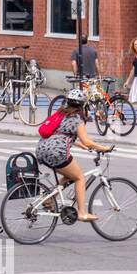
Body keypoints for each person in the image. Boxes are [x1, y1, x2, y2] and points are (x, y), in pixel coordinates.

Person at [35, 88, 113, 221]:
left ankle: (49, 199)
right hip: (56, 153)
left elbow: (60, 134)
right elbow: (87, 141)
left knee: (70, 175)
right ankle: (82, 213)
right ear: (81, 106)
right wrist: (103, 148)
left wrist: (77, 144)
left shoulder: (61, 113)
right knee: (80, 178)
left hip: (42, 150)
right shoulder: (77, 119)